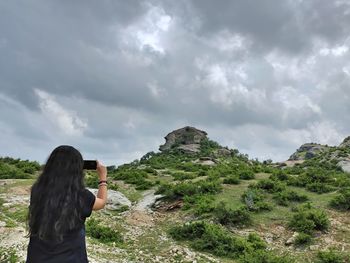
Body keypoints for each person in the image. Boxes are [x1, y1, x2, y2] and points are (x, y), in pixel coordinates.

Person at [25, 145, 108, 263]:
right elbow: (102, 202)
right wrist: (103, 178)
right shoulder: (81, 196)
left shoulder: (37, 190)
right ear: (77, 169)